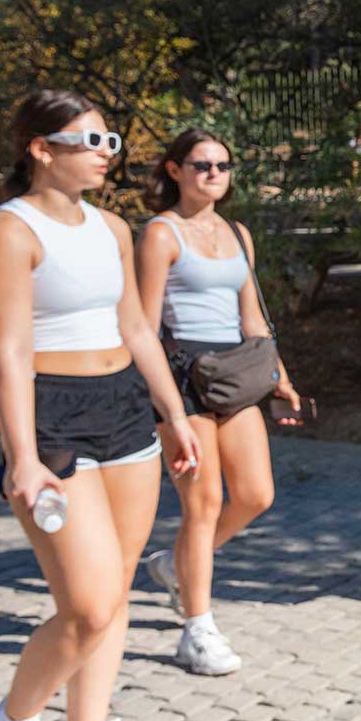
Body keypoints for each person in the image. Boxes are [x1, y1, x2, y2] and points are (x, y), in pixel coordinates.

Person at [0, 90, 201, 721]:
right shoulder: (11, 230)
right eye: (90, 140)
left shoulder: (112, 226)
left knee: (119, 590)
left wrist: (174, 412)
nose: (107, 152)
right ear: (42, 148)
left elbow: (135, 326)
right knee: (88, 603)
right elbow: (8, 353)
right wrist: (21, 454)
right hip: (53, 421)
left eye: (110, 140)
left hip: (124, 411)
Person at [135, 129, 301, 677]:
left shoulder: (237, 233)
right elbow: (144, 323)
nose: (214, 174)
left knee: (255, 494)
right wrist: (168, 407)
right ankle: (197, 628)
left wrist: (279, 375)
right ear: (175, 170)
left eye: (223, 166)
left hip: (236, 372)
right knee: (201, 504)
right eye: (202, 164)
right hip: (184, 372)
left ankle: (175, 565)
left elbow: (253, 314)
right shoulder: (161, 234)